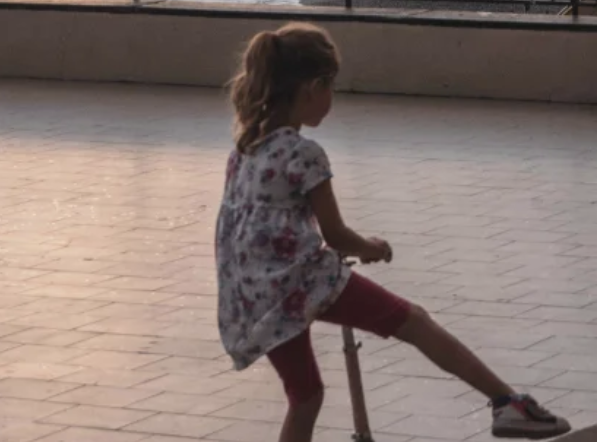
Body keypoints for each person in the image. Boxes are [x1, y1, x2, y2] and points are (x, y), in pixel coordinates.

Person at [215, 23, 571, 442]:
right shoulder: (304, 154)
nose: (332, 100)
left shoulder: (245, 148)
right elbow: (337, 235)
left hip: (254, 296)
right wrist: (371, 248)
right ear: (313, 87)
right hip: (299, 284)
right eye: (331, 88)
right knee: (414, 321)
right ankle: (508, 405)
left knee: (305, 395)